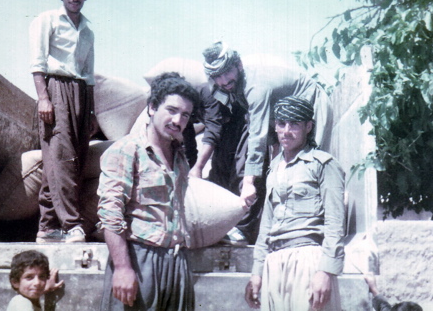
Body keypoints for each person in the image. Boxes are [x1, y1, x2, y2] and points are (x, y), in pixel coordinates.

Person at [98, 72, 230, 310]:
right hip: (140, 260)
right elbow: (110, 216)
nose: (178, 120)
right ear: (152, 108)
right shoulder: (127, 150)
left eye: (185, 115)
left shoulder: (179, 158)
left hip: (177, 262)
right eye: (171, 110)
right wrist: (123, 268)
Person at [189, 41, 332, 245]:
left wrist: (248, 182)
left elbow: (257, 135)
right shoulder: (232, 87)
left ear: (238, 65)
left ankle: (312, 232)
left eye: (226, 72)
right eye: (217, 77)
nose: (223, 81)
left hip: (310, 105)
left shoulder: (255, 87)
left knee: (308, 168)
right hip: (283, 115)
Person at [245, 96, 345, 311]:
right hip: (275, 262)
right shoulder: (273, 168)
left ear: (308, 127)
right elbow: (267, 224)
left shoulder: (323, 164)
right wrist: (257, 272)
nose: (286, 131)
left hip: (308, 259)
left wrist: (326, 271)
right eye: (281, 124)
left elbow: (335, 222)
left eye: (295, 124)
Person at [30, 0, 98, 243]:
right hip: (56, 88)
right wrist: (44, 98)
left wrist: (91, 112)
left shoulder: (88, 30)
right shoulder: (47, 20)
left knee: (73, 159)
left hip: (81, 93)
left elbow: (89, 73)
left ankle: (47, 227)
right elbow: (37, 63)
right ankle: (72, 225)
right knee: (61, 156)